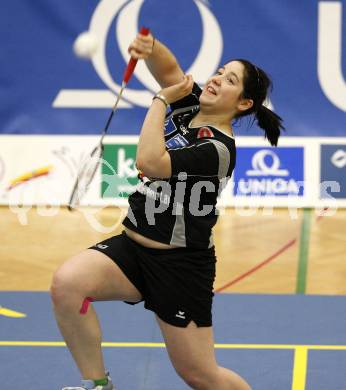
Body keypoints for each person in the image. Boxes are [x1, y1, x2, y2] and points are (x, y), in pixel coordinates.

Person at [51, 30, 283, 390]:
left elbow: (150, 160)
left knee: (200, 375)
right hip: (132, 250)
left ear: (243, 104)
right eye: (220, 71)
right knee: (67, 285)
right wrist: (151, 48)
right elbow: (171, 69)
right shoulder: (190, 103)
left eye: (231, 79)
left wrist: (160, 100)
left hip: (179, 267)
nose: (218, 78)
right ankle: (97, 385)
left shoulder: (218, 149)